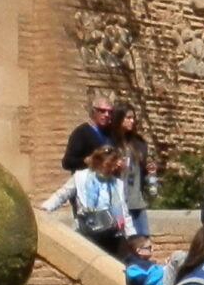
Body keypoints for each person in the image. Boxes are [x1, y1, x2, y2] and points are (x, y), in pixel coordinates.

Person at [41, 143, 137, 262]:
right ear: (98, 162)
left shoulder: (117, 184)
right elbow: (62, 195)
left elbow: (124, 211)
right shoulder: (80, 177)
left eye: (113, 166)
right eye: (108, 165)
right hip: (88, 232)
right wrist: (45, 208)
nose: (111, 169)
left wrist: (131, 235)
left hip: (112, 235)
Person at [113, 106, 155, 254]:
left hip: (136, 199)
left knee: (143, 244)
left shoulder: (138, 143)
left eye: (133, 118)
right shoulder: (111, 142)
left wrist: (149, 170)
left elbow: (142, 172)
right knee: (124, 245)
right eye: (128, 118)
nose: (132, 121)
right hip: (118, 201)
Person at [63, 94, 117, 173]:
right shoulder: (81, 133)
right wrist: (86, 161)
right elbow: (67, 162)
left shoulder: (111, 133)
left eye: (110, 112)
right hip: (87, 178)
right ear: (93, 111)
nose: (107, 115)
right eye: (102, 111)